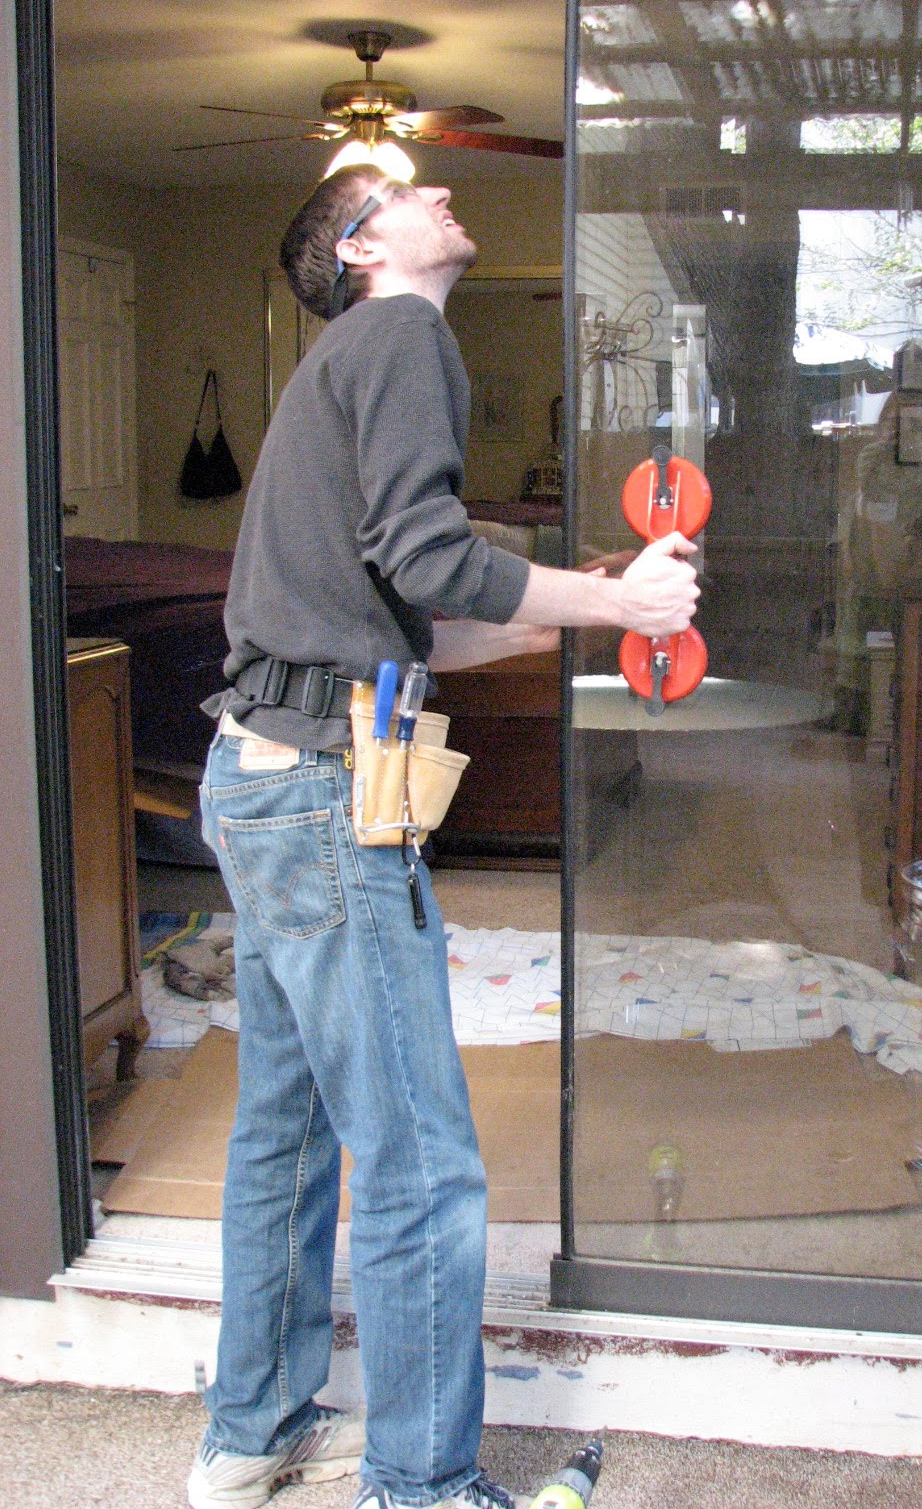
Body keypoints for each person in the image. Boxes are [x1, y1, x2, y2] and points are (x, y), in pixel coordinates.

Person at [187, 167, 699, 1509]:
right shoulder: (404, 331)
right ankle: (419, 1485)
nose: (444, 188)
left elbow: (410, 621)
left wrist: (587, 605)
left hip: (259, 777)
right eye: (407, 188)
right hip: (322, 796)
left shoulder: (340, 368)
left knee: (289, 1132)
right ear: (366, 246)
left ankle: (248, 1438)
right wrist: (615, 602)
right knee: (419, 1161)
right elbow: (427, 557)